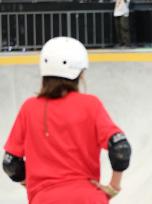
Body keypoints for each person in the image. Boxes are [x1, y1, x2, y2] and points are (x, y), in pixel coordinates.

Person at [2, 36, 131, 204]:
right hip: (89, 198)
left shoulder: (29, 108)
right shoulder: (90, 105)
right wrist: (113, 187)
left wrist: (33, 185)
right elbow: (120, 148)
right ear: (79, 74)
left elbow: (10, 163)